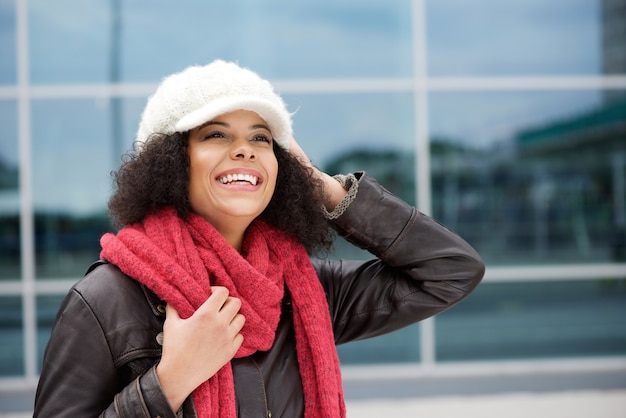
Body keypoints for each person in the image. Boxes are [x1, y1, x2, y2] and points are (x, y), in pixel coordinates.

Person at [34, 60, 485, 418]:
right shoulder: (104, 301)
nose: (245, 149)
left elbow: (450, 271)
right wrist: (170, 380)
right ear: (170, 161)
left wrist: (324, 188)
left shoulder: (305, 291)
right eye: (215, 134)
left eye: (262, 139)